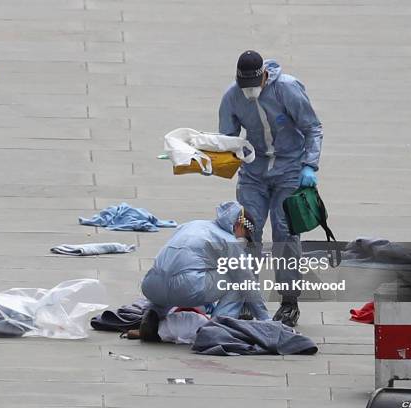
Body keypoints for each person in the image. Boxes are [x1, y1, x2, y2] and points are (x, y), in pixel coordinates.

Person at [219, 50, 324, 327]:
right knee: (247, 231)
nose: (250, 91)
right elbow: (226, 139)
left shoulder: (286, 89)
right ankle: (246, 298)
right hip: (254, 173)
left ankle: (289, 302)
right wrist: (210, 158)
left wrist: (309, 166)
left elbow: (313, 128)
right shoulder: (232, 96)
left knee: (285, 233)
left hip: (289, 170)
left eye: (254, 84)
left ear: (265, 75)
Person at [139, 201, 270, 341]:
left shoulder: (191, 225)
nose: (244, 242)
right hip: (186, 288)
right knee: (238, 281)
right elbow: (247, 283)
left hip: (152, 286)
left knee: (172, 272)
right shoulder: (229, 241)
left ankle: (153, 314)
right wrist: (266, 320)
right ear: (238, 225)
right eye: (246, 236)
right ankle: (216, 328)